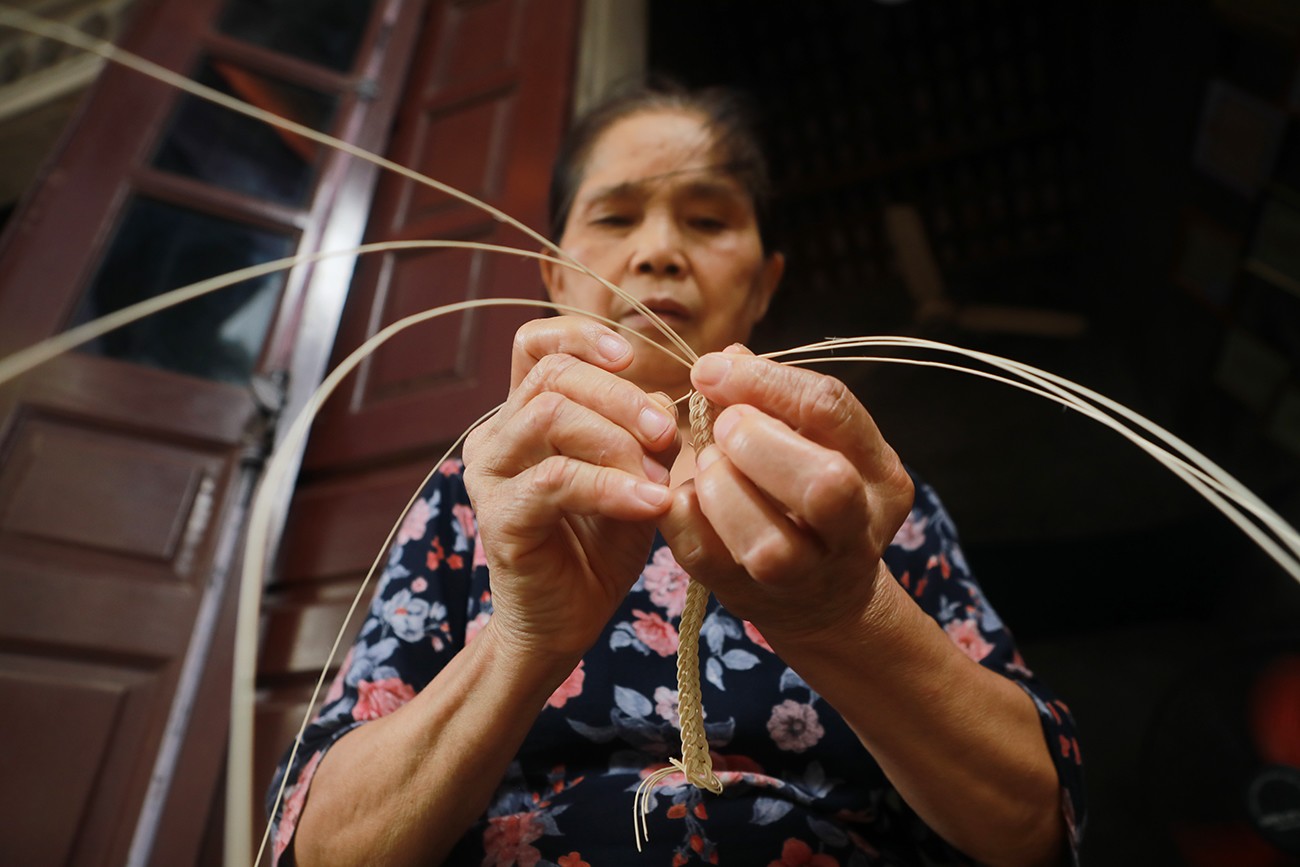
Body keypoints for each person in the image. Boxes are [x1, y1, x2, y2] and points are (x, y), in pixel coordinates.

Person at [267, 83, 1084, 867]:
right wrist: (524, 641)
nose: (659, 251)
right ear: (555, 275)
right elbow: (318, 845)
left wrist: (845, 616)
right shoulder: (469, 493)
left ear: (764, 283)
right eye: (616, 215)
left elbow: (1029, 826)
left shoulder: (858, 500)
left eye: (707, 218)